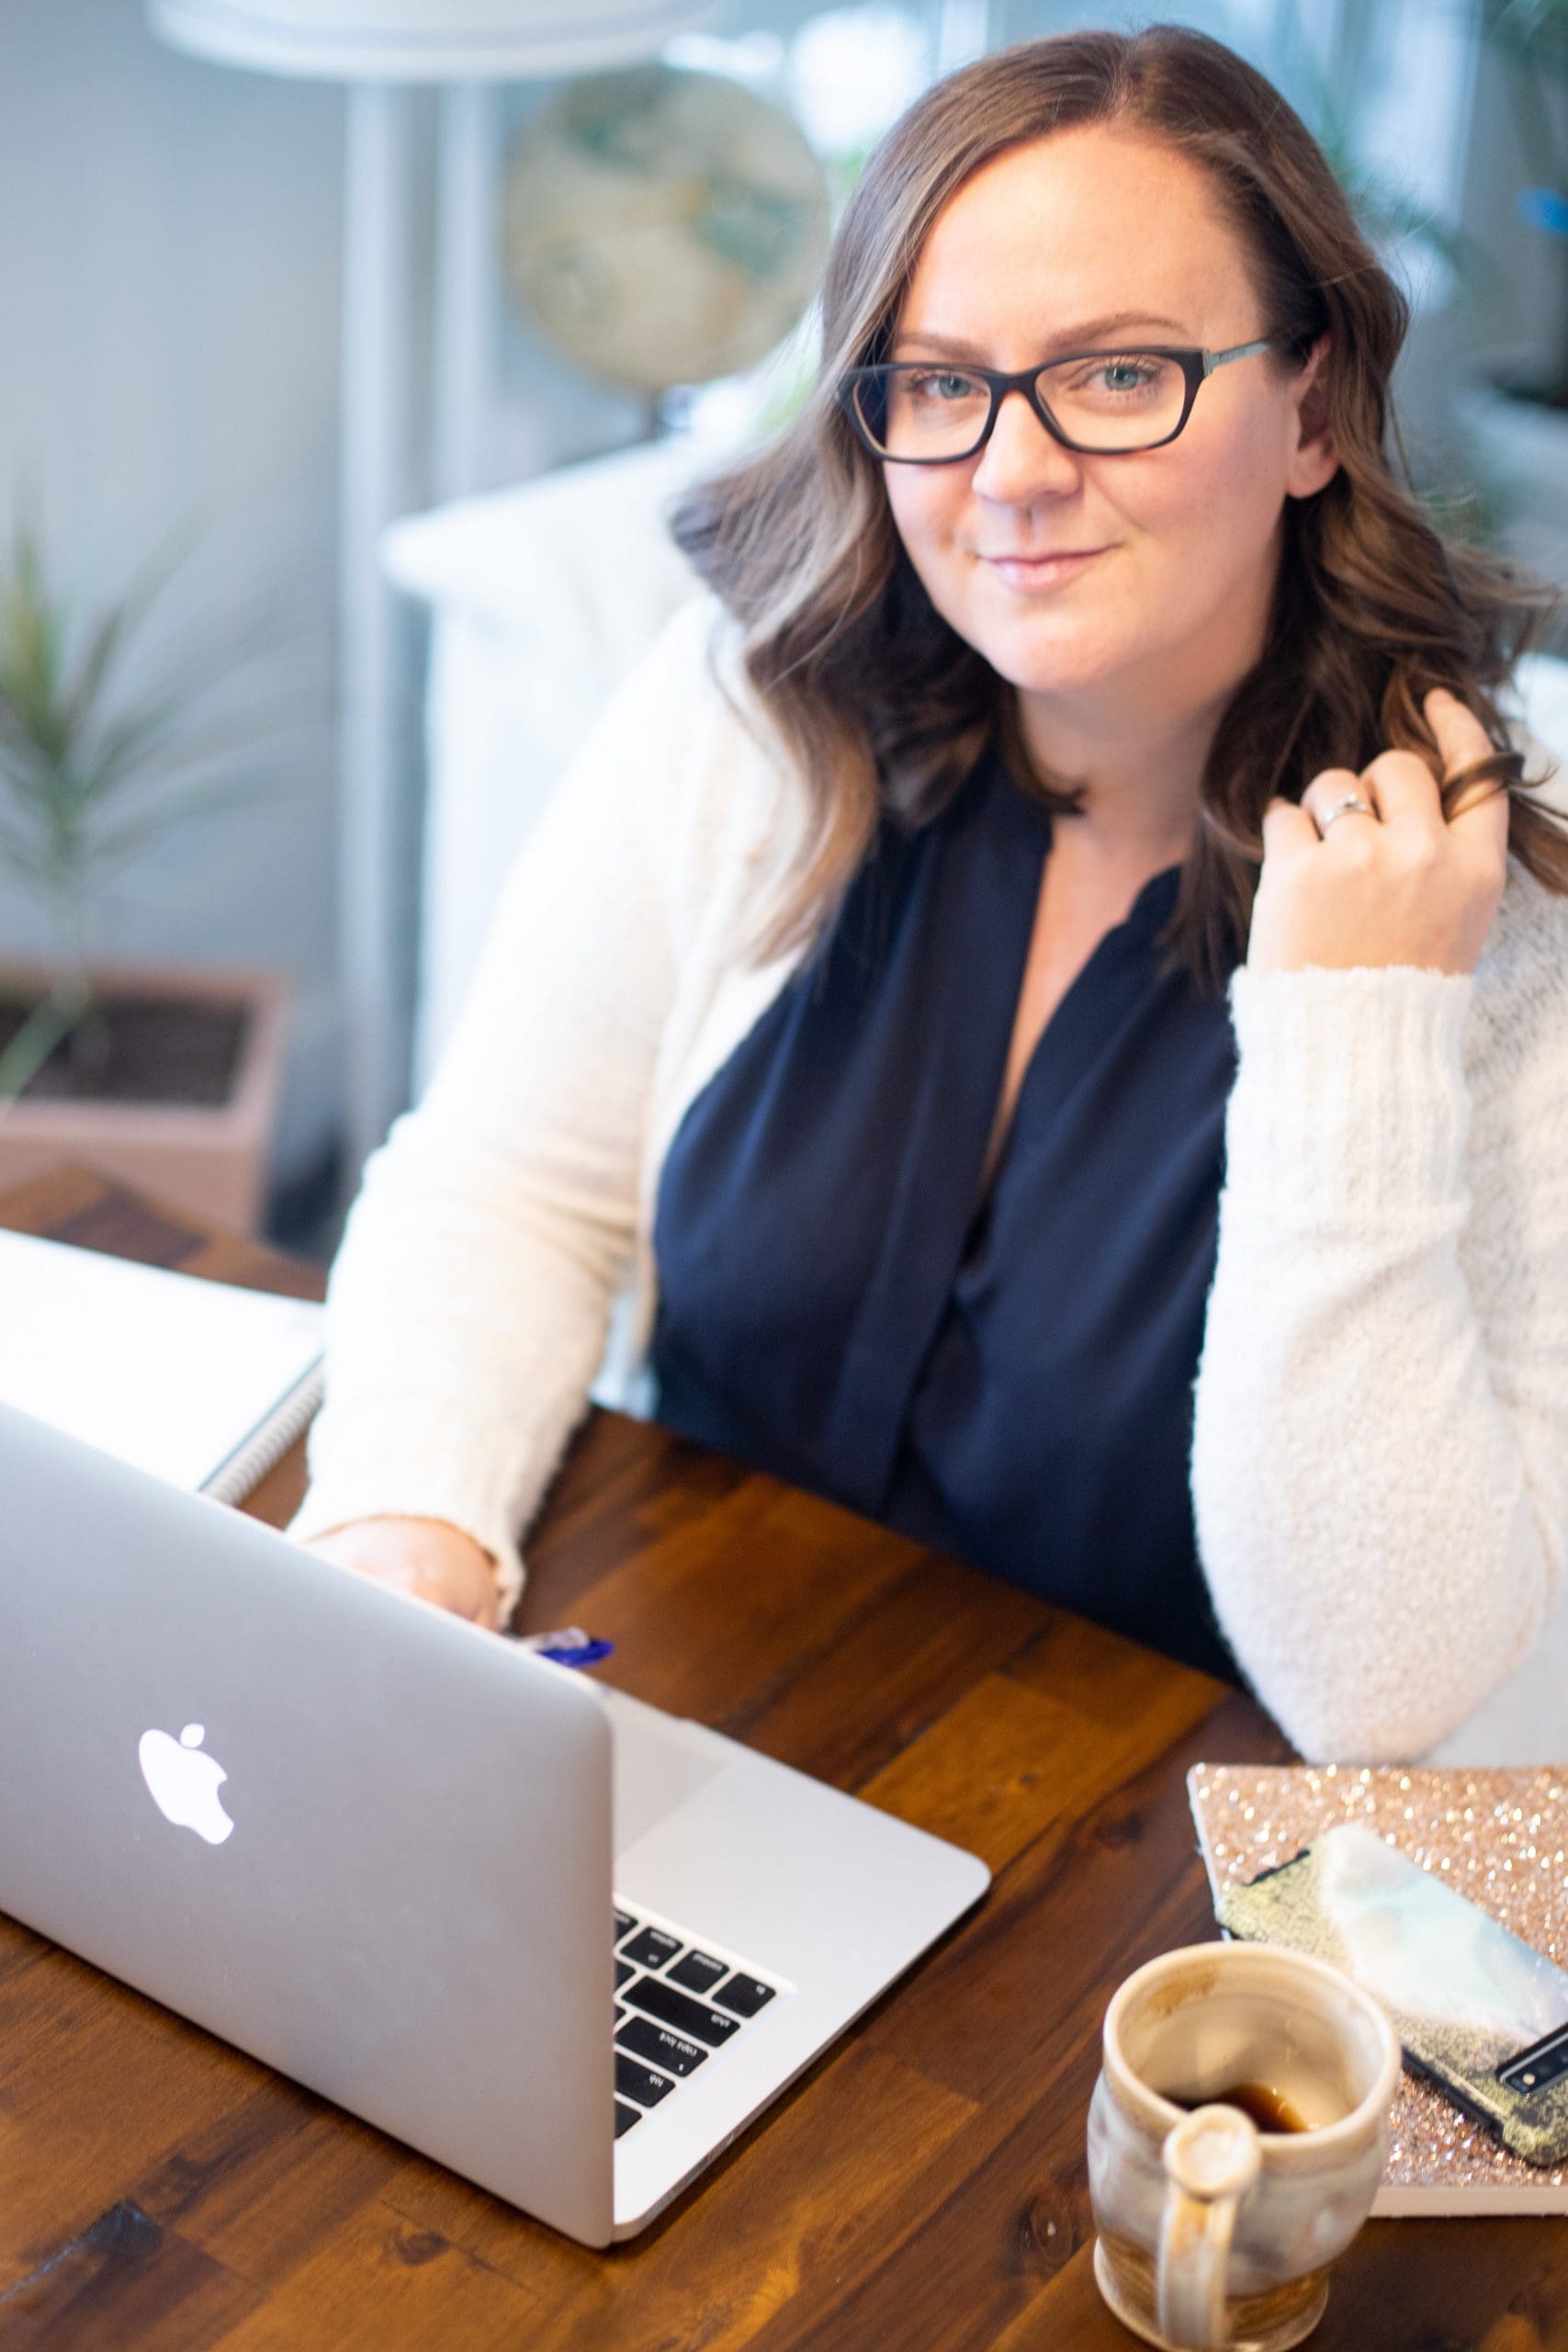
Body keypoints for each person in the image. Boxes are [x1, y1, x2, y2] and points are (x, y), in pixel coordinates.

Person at [290, 25, 1568, 1766]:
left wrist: (1361, 1028)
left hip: (1134, 1915)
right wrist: (407, 1539)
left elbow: (1389, 1689)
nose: (1014, 471)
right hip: (682, 1724)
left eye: (1122, 374)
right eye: (941, 381)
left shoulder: (1497, 897)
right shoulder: (757, 704)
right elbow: (512, 1184)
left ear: (1313, 406)